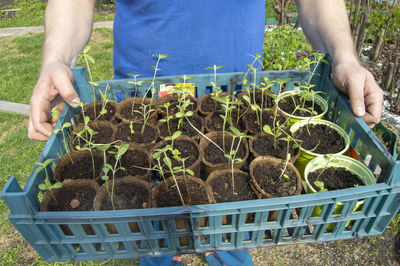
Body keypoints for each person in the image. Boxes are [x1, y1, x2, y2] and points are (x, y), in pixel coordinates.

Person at [27, 0, 384, 265]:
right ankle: (162, 254)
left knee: (231, 214)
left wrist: (344, 56)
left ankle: (225, 249)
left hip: (236, 102)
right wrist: (56, 58)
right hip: (143, 99)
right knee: (154, 217)